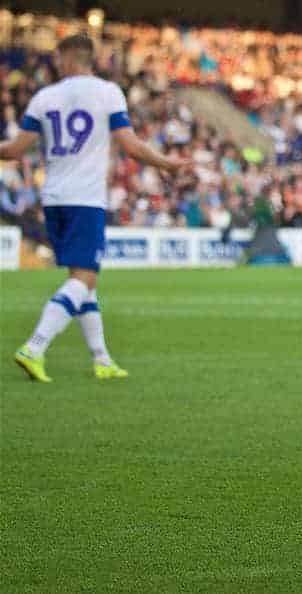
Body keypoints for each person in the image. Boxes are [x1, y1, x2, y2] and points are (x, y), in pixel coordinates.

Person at [1, 34, 189, 383]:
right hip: (85, 198)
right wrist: (168, 163)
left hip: (54, 198)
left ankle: (102, 359)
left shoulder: (45, 97)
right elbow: (130, 146)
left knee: (83, 281)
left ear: (70, 59)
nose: (56, 64)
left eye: (58, 58)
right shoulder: (106, 93)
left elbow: (14, 150)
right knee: (85, 277)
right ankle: (35, 346)